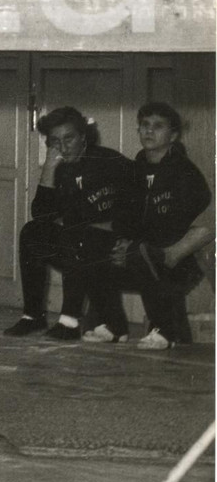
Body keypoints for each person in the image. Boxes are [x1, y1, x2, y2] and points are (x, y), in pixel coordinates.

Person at [81, 102, 214, 350]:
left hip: (181, 258)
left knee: (140, 252)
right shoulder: (135, 169)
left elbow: (180, 229)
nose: (149, 132)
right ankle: (114, 326)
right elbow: (124, 217)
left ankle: (167, 331)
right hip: (139, 250)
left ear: (173, 135)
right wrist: (121, 240)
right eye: (145, 125)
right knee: (88, 242)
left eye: (158, 126)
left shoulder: (185, 173)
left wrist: (133, 243)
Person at [2, 106, 133, 342]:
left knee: (77, 233)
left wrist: (124, 234)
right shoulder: (59, 168)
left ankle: (69, 321)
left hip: (112, 244)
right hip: (78, 244)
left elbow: (137, 206)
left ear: (83, 136)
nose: (62, 147)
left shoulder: (110, 161)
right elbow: (41, 216)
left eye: (69, 138)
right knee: (32, 232)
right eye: (54, 141)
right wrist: (49, 169)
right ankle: (33, 316)